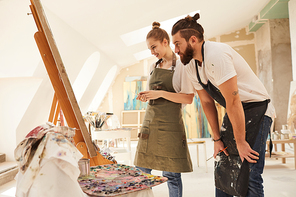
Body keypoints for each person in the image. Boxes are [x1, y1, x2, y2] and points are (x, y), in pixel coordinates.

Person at [171, 13, 276, 197]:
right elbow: (206, 101)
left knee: (249, 173)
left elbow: (233, 100)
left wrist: (241, 142)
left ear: (193, 40)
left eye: (177, 43)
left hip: (257, 108)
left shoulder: (216, 55)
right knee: (223, 170)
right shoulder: (190, 64)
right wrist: (217, 139)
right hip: (234, 110)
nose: (175, 49)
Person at [134, 22, 195, 197]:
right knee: (141, 171)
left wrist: (160, 93)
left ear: (165, 42)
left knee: (172, 175)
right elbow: (153, 94)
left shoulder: (182, 65)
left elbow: (188, 98)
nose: (152, 52)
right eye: (149, 49)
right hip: (151, 125)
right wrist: (146, 96)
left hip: (171, 127)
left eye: (154, 47)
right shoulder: (153, 67)